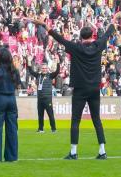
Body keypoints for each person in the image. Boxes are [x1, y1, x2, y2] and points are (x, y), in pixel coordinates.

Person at [33, 17, 116, 160]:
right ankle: (102, 151)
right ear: (92, 35)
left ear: (81, 37)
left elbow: (58, 38)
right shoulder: (98, 44)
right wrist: (114, 20)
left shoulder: (76, 47)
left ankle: (73, 152)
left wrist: (44, 25)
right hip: (95, 88)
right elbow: (108, 32)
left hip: (80, 88)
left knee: (76, 120)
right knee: (96, 119)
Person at [0, 48, 22, 162]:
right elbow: (18, 87)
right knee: (12, 129)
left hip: (0, 98)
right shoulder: (14, 71)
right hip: (11, 99)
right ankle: (12, 157)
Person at [31, 57, 59, 133]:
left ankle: (53, 129)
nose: (44, 69)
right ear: (41, 69)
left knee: (50, 114)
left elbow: (57, 72)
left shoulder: (50, 75)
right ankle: (41, 129)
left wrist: (58, 63)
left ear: (47, 69)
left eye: (45, 68)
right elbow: (31, 71)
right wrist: (29, 61)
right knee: (40, 115)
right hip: (40, 99)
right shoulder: (38, 76)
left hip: (47, 99)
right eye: (43, 68)